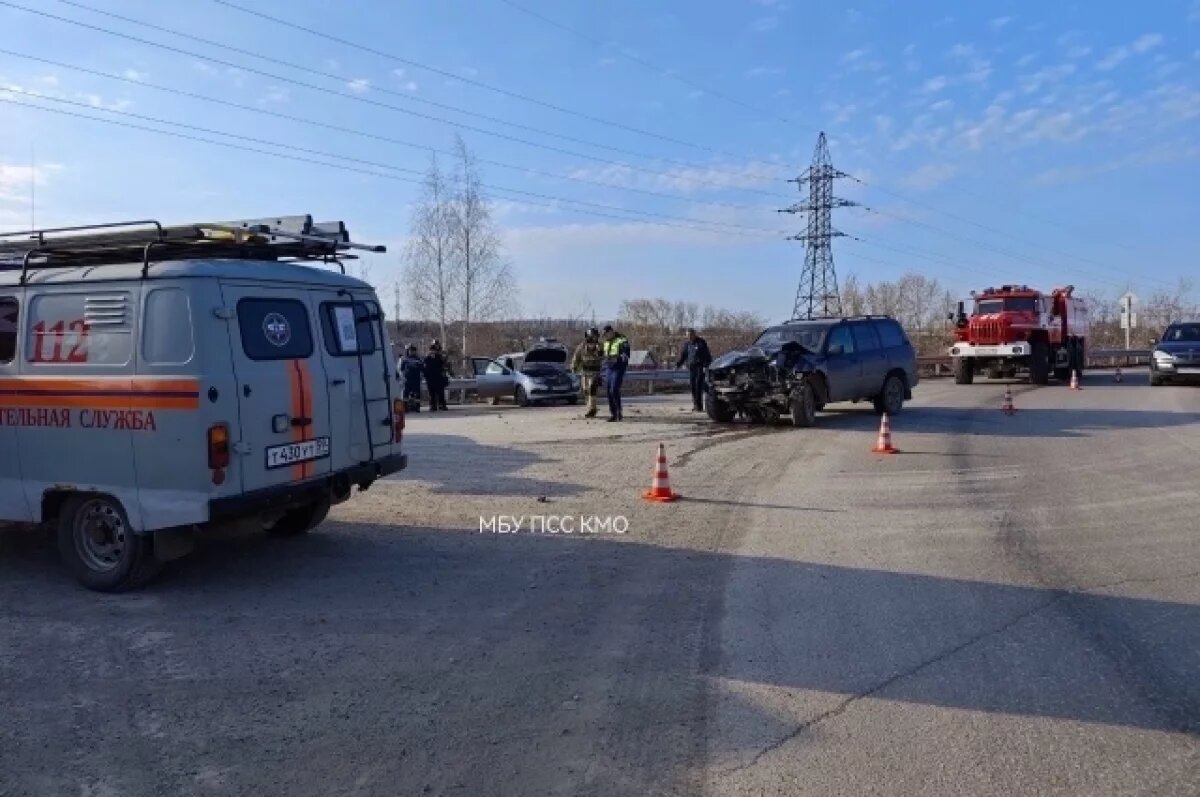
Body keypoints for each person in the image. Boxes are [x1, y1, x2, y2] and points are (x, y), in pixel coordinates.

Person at [570, 327, 605, 418]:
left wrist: (599, 351)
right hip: (585, 372)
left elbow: (603, 357)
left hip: (595, 372)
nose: (594, 338)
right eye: (592, 336)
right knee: (586, 390)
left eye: (595, 336)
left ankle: (592, 409)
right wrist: (574, 366)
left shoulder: (600, 346)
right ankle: (590, 407)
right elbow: (576, 357)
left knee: (592, 388)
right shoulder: (582, 346)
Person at [675, 328, 713, 412]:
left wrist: (706, 365)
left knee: (698, 386)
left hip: (700, 367)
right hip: (692, 368)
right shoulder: (687, 344)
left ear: (694, 334)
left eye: (690, 335)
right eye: (687, 335)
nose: (689, 336)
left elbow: (707, 355)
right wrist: (678, 364)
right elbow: (683, 355)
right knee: (692, 386)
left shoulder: (701, 342)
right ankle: (695, 405)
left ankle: (699, 406)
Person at [601, 325, 630, 422]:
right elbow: (603, 354)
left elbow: (626, 352)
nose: (605, 336)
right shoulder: (606, 342)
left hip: (618, 368)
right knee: (609, 391)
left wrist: (623, 356)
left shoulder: (621, 339)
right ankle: (613, 414)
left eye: (607, 334)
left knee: (614, 389)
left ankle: (619, 412)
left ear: (611, 331)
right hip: (609, 368)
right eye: (604, 335)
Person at [423, 340, 450, 412]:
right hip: (430, 376)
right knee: (431, 392)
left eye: (437, 345)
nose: (436, 347)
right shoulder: (428, 355)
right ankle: (432, 405)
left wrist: (440, 355)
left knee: (440, 391)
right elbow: (425, 363)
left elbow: (445, 362)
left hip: (439, 375)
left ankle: (442, 405)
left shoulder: (441, 354)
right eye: (435, 345)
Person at [399, 345, 425, 411]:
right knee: (406, 394)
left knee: (417, 394)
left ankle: (417, 407)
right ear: (408, 351)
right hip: (407, 379)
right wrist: (403, 376)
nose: (412, 352)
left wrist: (422, 374)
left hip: (416, 379)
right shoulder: (405, 359)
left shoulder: (418, 359)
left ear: (415, 351)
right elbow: (401, 369)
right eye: (410, 351)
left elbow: (422, 369)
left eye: (413, 351)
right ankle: (405, 407)